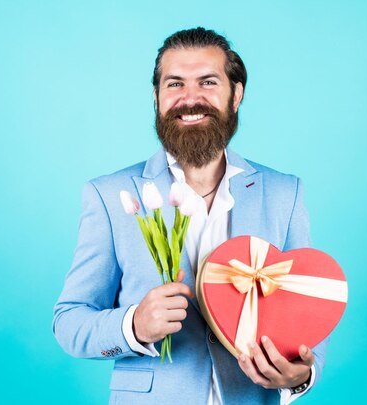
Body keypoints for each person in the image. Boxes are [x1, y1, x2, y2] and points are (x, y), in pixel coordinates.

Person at [53, 27, 328, 404]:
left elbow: (307, 308)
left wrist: (301, 374)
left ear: (237, 95)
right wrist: (132, 325)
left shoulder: (284, 193)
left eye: (208, 82)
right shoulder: (108, 195)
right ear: (156, 97)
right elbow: (69, 320)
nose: (190, 98)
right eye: (175, 84)